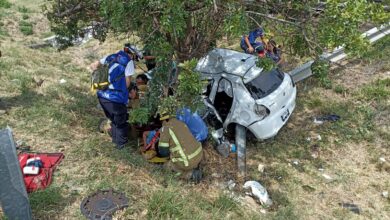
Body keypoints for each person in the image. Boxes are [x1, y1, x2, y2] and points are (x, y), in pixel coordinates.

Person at [92, 44, 142, 149]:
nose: (134, 59)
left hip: (102, 95)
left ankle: (115, 143)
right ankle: (121, 147)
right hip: (115, 98)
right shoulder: (129, 62)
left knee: (114, 121)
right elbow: (127, 83)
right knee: (121, 123)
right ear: (132, 54)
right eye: (135, 57)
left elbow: (95, 65)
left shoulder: (111, 56)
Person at [157, 112, 203, 181]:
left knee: (167, 166)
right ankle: (194, 168)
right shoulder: (181, 123)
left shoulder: (166, 128)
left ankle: (190, 175)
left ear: (163, 120)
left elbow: (163, 152)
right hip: (199, 155)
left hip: (188, 161)